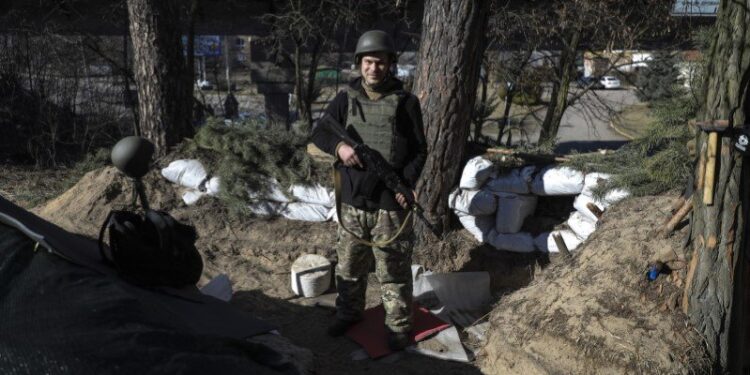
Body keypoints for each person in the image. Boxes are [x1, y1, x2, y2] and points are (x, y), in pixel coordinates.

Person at [311, 30, 427, 350]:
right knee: (350, 264)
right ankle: (349, 313)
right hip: (352, 198)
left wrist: (406, 184)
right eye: (368, 62)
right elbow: (320, 132)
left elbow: (419, 151)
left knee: (392, 268)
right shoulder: (345, 99)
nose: (373, 68)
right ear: (359, 63)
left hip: (389, 201)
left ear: (391, 65)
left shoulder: (406, 103)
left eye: (380, 62)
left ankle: (399, 324)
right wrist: (339, 149)